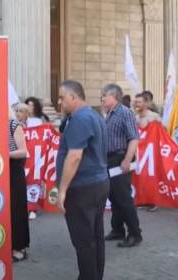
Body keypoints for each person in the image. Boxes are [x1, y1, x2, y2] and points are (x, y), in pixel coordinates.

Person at [55, 80, 109, 280]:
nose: (60, 102)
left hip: (82, 187)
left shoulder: (80, 118)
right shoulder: (93, 115)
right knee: (95, 236)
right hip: (97, 183)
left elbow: (75, 156)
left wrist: (62, 190)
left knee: (84, 240)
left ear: (73, 97)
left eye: (62, 97)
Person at [101, 84, 142, 248]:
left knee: (123, 197)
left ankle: (134, 233)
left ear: (114, 96)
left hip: (120, 159)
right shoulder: (108, 114)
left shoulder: (124, 113)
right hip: (109, 160)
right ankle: (117, 229)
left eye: (104, 95)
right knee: (113, 196)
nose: (102, 99)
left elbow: (134, 138)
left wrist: (127, 159)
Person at [8, 106, 30, 262]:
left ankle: (20, 248)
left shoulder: (13, 125)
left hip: (13, 169)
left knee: (16, 208)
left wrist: (4, 153)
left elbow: (23, 151)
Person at [134, 93, 161, 212]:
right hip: (139, 153)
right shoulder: (135, 117)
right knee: (140, 176)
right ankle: (142, 199)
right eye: (136, 102)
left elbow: (163, 131)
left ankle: (152, 200)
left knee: (150, 176)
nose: (136, 104)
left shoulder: (153, 116)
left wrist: (158, 126)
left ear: (145, 103)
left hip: (150, 153)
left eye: (139, 102)